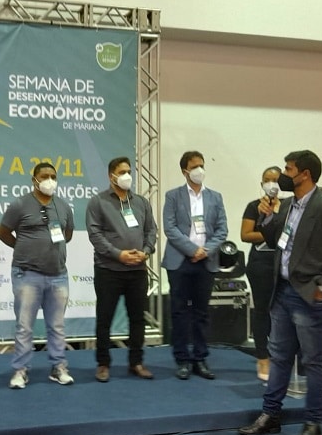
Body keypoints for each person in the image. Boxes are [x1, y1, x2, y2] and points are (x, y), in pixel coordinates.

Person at [238, 150, 322, 435]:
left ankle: (312, 423)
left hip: (311, 296)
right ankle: (270, 415)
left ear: (305, 174)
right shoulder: (288, 206)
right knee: (279, 357)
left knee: (314, 362)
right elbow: (273, 239)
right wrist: (267, 215)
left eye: (288, 169)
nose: (283, 175)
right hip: (282, 292)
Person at [0, 162, 75, 389]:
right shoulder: (20, 204)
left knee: (57, 326)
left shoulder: (63, 206)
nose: (50, 180)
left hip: (58, 275)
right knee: (24, 326)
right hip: (27, 274)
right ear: (34, 180)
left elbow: (68, 234)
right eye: (45, 176)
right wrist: (23, 248)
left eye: (53, 176)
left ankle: (59, 367)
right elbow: (3, 232)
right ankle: (20, 370)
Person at [86, 156, 157, 382]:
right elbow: (95, 235)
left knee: (138, 319)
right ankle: (103, 364)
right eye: (122, 172)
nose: (127, 176)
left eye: (129, 171)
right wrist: (119, 254)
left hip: (138, 270)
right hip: (108, 270)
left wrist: (146, 251)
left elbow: (151, 230)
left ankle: (136, 362)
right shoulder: (98, 202)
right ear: (111, 176)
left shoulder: (141, 202)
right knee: (104, 318)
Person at [162, 151, 228, 381]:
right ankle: (182, 359)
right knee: (180, 312)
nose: (200, 170)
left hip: (206, 262)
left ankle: (200, 358)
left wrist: (206, 250)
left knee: (202, 313)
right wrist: (192, 250)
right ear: (185, 171)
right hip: (180, 261)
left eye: (202, 165)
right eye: (195, 166)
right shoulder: (173, 196)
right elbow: (170, 228)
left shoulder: (215, 197)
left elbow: (222, 230)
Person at [240, 166, 281, 381]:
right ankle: (262, 357)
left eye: (275, 180)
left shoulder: (288, 206)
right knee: (262, 310)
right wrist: (271, 233)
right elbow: (246, 235)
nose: (271, 184)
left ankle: (280, 356)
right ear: (262, 183)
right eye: (267, 180)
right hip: (260, 265)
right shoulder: (253, 207)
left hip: (284, 266)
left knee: (282, 312)